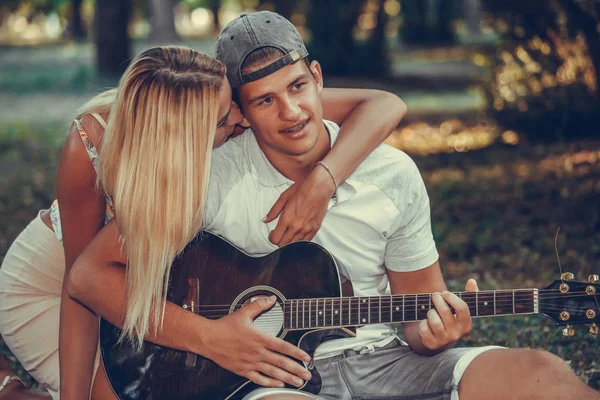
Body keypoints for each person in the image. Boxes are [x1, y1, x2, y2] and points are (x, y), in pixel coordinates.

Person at [71, 11, 600, 400]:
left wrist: (436, 333)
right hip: (271, 379)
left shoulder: (392, 174)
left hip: (386, 361)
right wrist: (212, 339)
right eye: (264, 100)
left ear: (319, 77)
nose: (292, 111)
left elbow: (419, 317)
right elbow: (91, 274)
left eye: (298, 86)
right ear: (241, 113)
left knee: (543, 374)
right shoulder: (214, 175)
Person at [0, 44, 407, 400]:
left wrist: (323, 181)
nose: (241, 118)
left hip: (148, 287)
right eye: (222, 120)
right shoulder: (93, 141)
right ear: (182, 138)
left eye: (234, 101)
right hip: (54, 285)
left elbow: (385, 105)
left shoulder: (220, 100)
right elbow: (82, 284)